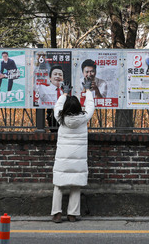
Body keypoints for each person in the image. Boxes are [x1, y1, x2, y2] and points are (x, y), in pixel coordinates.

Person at [51, 84, 95, 223]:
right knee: (76, 184)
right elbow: (90, 105)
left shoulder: (61, 119)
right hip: (78, 160)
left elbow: (57, 106)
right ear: (78, 108)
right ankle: (72, 214)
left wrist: (64, 93)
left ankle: (57, 214)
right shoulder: (84, 119)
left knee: (58, 184)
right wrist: (87, 90)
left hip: (62, 160)